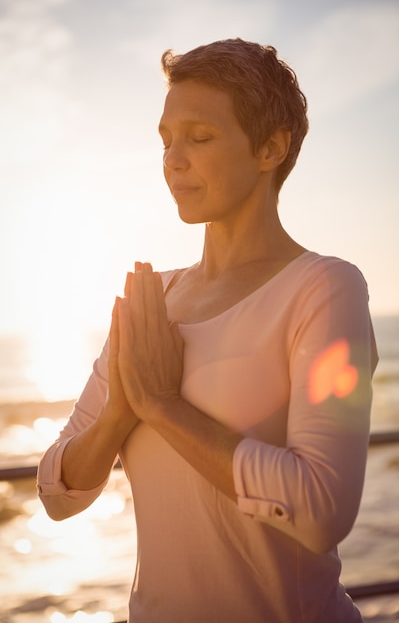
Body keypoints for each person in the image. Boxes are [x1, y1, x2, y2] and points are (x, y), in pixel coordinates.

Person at [37, 38, 378, 622]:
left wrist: (164, 406)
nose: (172, 160)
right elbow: (57, 493)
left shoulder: (324, 289)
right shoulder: (152, 300)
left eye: (199, 138)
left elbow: (322, 510)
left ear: (271, 147)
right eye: (166, 141)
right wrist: (124, 408)